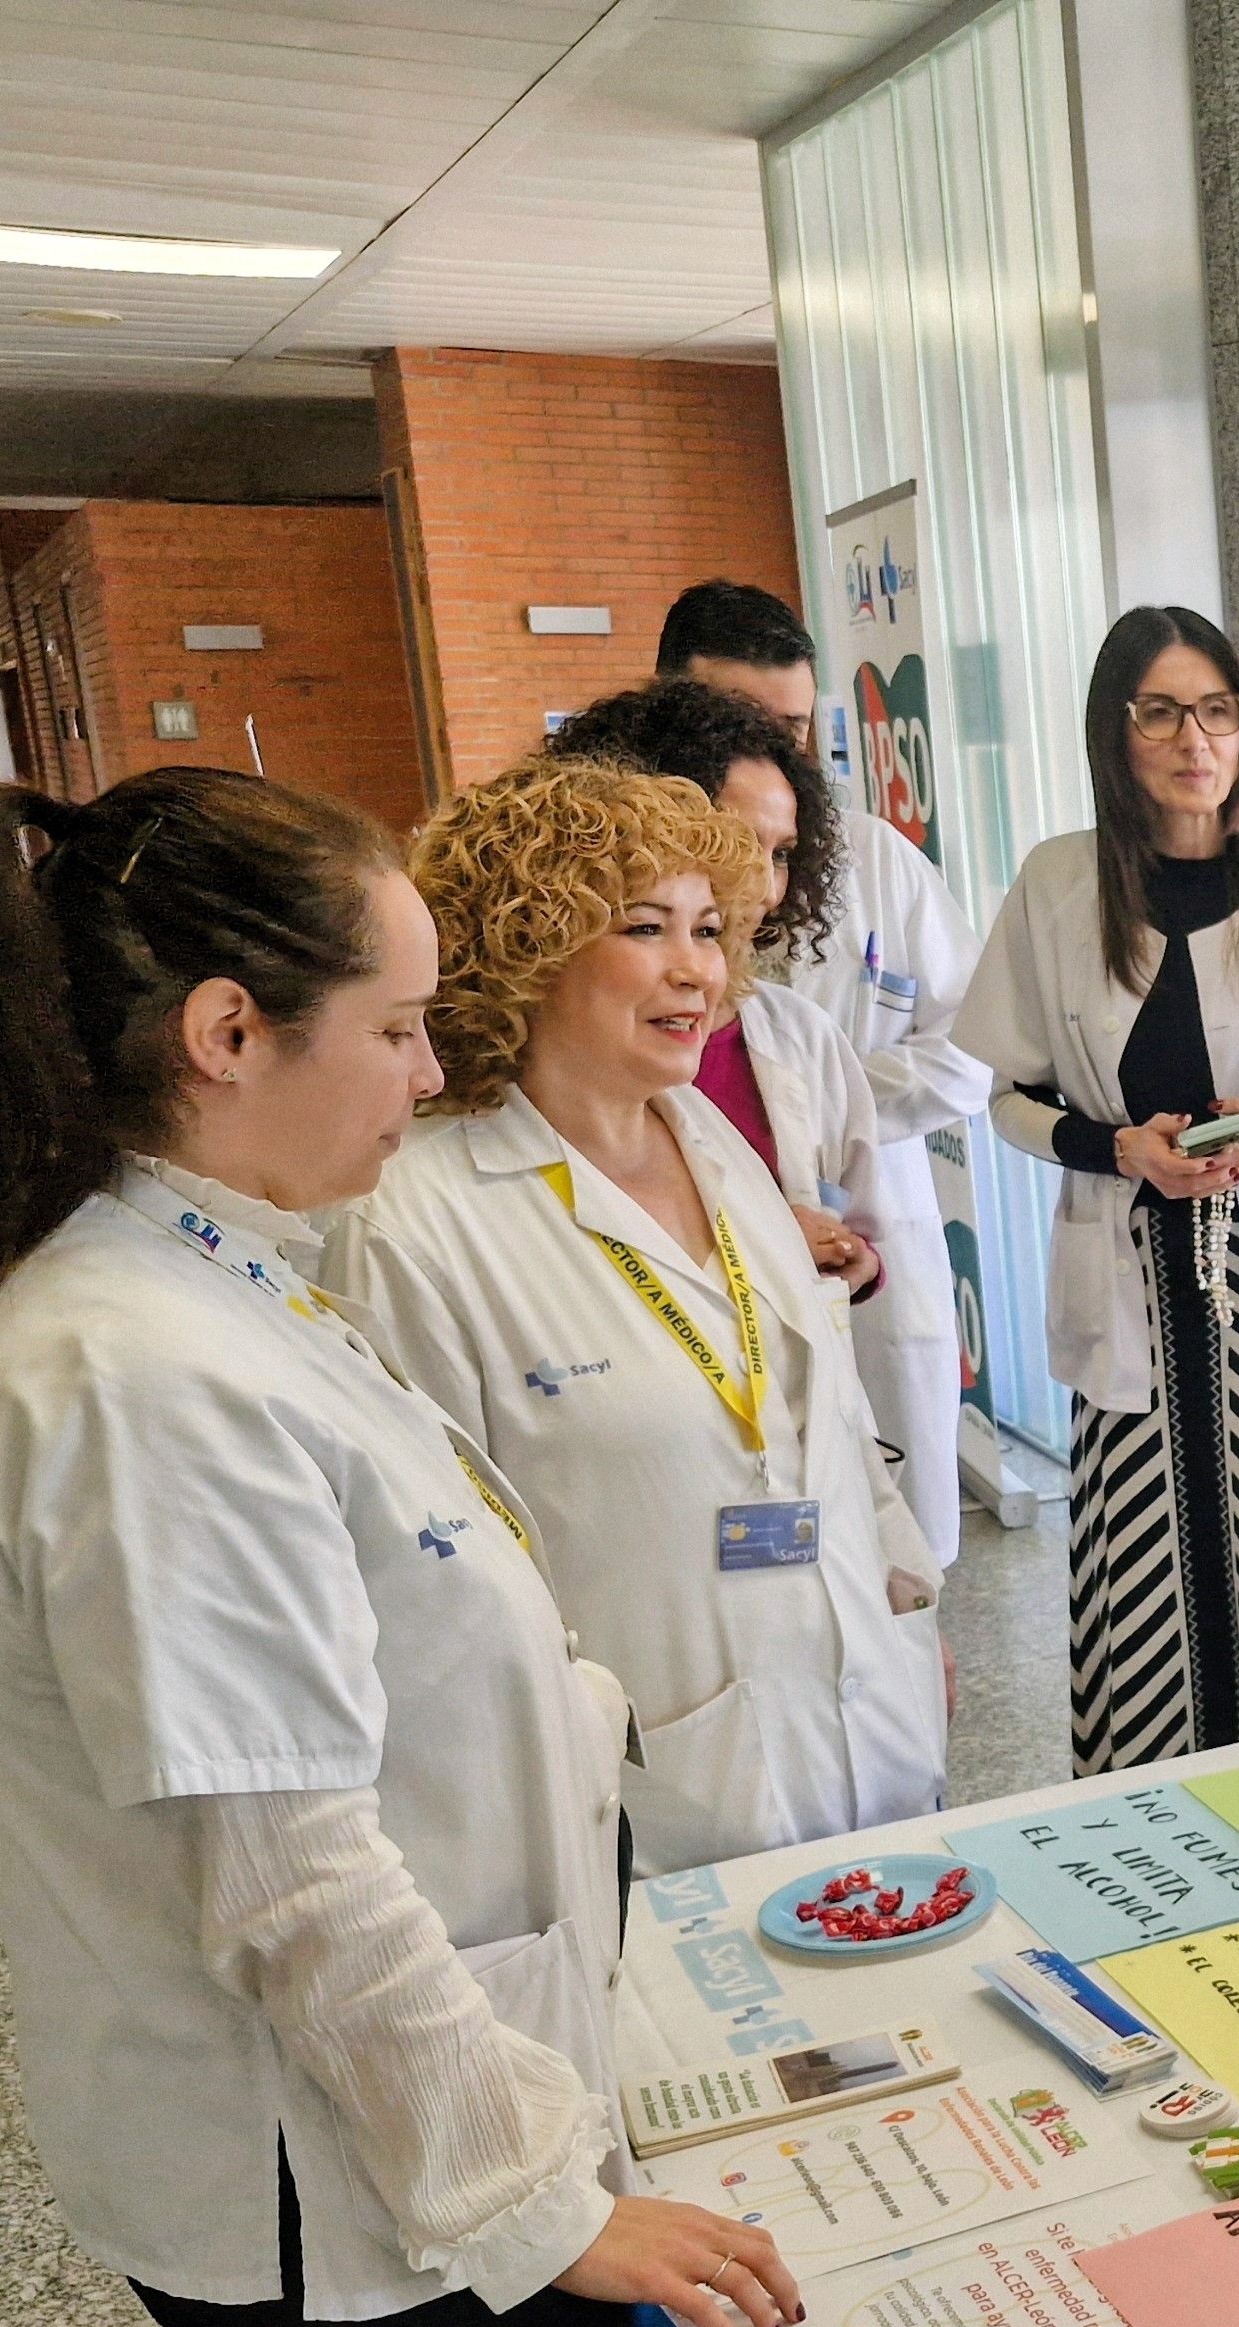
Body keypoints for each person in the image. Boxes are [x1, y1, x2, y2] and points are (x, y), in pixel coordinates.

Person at [0, 765, 803, 2327]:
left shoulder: (226, 1291)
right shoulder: (141, 1377)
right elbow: (289, 1878)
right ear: (227, 1033)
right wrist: (555, 2202)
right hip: (357, 2203)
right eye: (394, 1028)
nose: (427, 1069)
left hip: (419, 2141)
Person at [326, 759, 947, 1875]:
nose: (694, 969)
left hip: (871, 1732)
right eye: (645, 927)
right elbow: (436, 1584)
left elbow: (828, 1411)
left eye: (711, 930)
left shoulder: (718, 1149)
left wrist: (904, 1596)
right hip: (643, 1807)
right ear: (531, 944)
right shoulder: (417, 1219)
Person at [960, 606, 1239, 1767]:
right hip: (1128, 1270)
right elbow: (1010, 1095)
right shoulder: (1058, 885)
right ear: (1115, 731)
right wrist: (1119, 1150)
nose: (1196, 739)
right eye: (1163, 711)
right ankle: (1152, 1811)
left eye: (1217, 709)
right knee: (1144, 1571)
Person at [660, 582, 995, 1560]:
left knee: (894, 1553)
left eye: (794, 728)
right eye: (740, 723)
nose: (774, 756)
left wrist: (822, 1098)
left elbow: (977, 1045)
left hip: (862, 1230)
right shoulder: (611, 906)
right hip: (691, 1285)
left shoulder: (876, 863)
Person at [543, 679, 890, 1311]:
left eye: (781, 854)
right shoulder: (552, 1063)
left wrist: (852, 1260)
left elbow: (857, 1217)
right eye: (732, 840)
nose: (761, 884)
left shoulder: (798, 1036)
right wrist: (769, 1244)